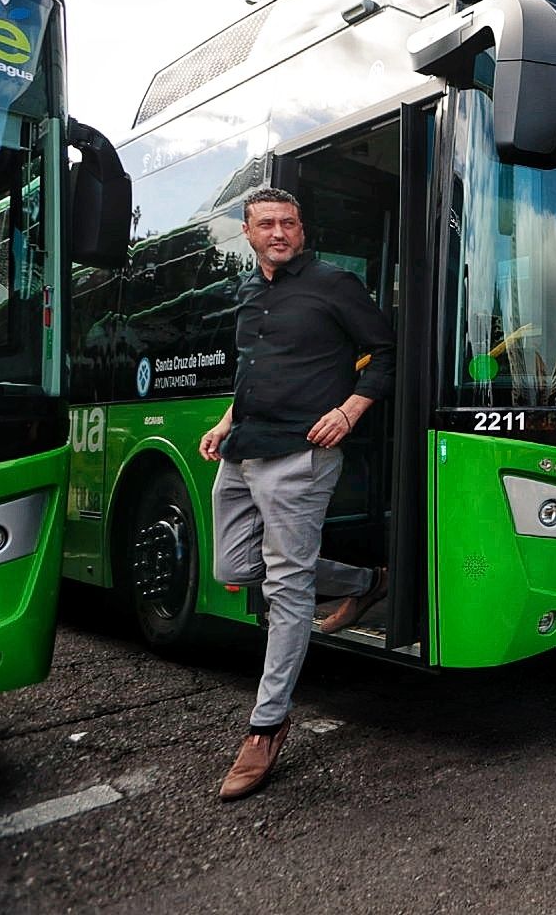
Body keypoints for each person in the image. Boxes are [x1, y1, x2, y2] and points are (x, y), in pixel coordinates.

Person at [199, 187, 395, 802]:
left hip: (301, 457)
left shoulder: (334, 284)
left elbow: (385, 353)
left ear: (301, 230)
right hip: (241, 452)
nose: (278, 232)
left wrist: (350, 409)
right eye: (266, 224)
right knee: (232, 565)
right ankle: (365, 582)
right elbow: (253, 367)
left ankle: (266, 725)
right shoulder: (249, 292)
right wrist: (227, 420)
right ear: (247, 231)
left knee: (286, 588)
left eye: (288, 223)